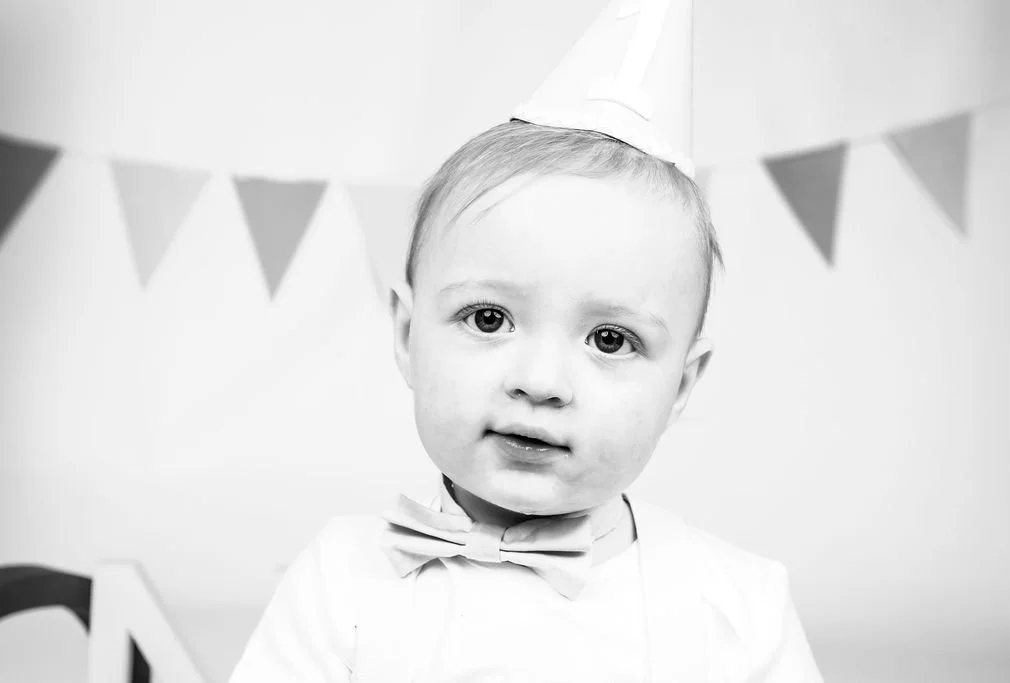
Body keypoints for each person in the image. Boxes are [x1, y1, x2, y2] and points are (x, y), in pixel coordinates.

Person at [230, 0, 824, 680]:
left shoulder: (738, 609)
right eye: (488, 319)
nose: (540, 381)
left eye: (609, 338)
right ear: (405, 332)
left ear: (682, 384)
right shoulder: (340, 578)